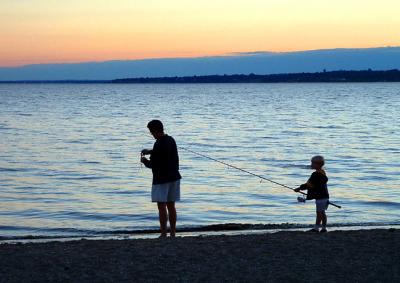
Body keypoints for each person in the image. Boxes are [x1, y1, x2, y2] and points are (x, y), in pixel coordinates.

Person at [141, 120, 181, 238]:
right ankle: (172, 233)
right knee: (171, 205)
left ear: (155, 131)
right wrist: (150, 151)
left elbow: (153, 164)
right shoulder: (171, 139)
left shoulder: (158, 143)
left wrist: (144, 161)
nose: (151, 134)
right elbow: (164, 151)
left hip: (161, 179)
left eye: (151, 132)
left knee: (161, 206)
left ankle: (163, 233)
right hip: (174, 177)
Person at [294, 155, 329, 233]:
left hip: (320, 197)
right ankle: (324, 228)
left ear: (319, 164)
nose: (311, 165)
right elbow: (315, 185)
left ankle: (316, 228)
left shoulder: (315, 174)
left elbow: (309, 185)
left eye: (313, 163)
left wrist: (299, 188)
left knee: (319, 213)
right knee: (322, 212)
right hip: (324, 196)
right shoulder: (322, 172)